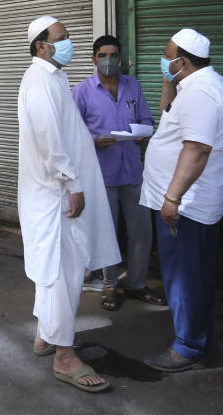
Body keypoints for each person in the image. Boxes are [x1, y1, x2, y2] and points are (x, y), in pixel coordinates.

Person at [17, 15, 120, 393]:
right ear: (42, 46)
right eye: (61, 38)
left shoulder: (53, 78)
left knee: (54, 269)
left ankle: (45, 336)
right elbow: (49, 141)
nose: (69, 42)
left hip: (55, 192)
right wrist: (72, 183)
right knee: (63, 272)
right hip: (57, 194)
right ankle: (64, 356)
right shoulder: (41, 81)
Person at [140, 28, 223, 373]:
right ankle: (199, 339)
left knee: (184, 277)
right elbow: (170, 118)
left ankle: (188, 348)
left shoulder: (200, 94)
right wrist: (169, 83)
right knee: (194, 274)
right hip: (192, 204)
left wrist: (172, 198)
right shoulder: (196, 87)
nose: (163, 61)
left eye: (167, 56)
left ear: (182, 61)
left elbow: (196, 149)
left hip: (186, 206)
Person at [72, 35, 163, 312]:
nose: (108, 60)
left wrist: (142, 133)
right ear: (93, 59)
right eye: (102, 55)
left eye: (113, 55)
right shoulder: (82, 91)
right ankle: (109, 283)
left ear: (120, 59)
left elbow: (147, 119)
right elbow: (71, 132)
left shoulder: (132, 85)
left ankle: (136, 282)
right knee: (106, 232)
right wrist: (94, 139)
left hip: (133, 171)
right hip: (102, 175)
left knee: (142, 231)